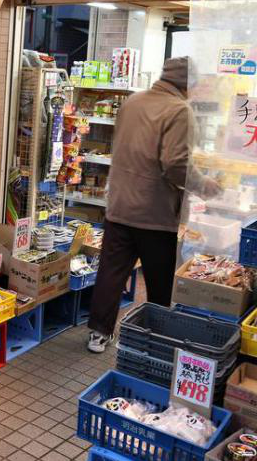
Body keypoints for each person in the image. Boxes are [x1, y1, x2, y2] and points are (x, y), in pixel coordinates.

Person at [86, 56, 220, 354]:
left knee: (111, 272)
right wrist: (204, 185)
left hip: (119, 205)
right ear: (188, 84)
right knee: (159, 281)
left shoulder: (133, 102)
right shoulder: (179, 110)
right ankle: (155, 339)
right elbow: (175, 164)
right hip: (154, 212)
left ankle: (98, 333)